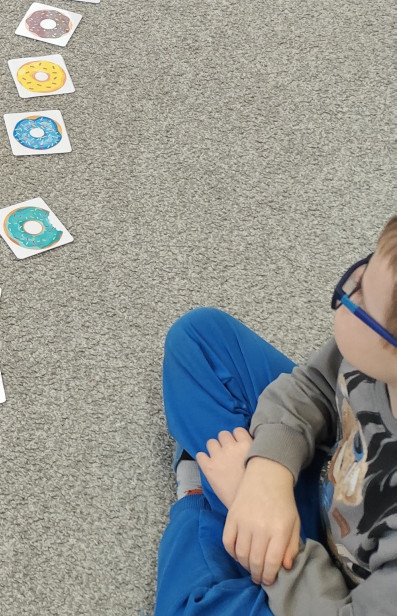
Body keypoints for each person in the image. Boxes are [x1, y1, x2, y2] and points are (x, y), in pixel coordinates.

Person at [156, 218, 397, 614]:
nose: (351, 286)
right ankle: (233, 505)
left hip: (327, 589)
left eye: (363, 301)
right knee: (199, 338)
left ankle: (203, 496)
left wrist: (245, 499)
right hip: (317, 480)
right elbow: (313, 386)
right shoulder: (371, 354)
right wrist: (268, 470)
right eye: (365, 268)